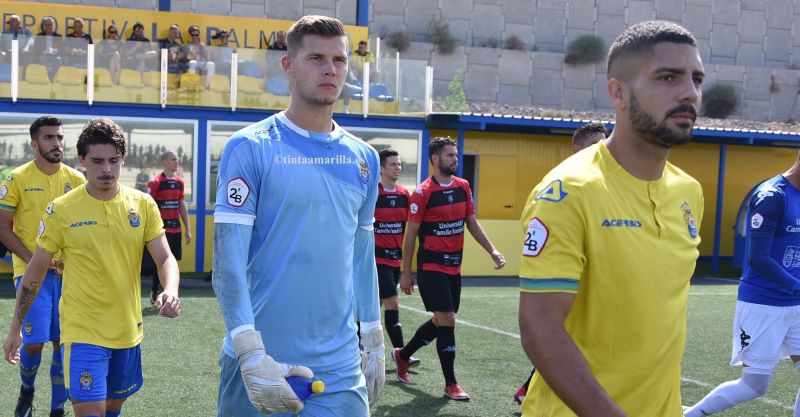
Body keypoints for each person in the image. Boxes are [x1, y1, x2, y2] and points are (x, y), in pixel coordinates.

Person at [517, 20, 705, 416]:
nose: (689, 91)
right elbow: (540, 326)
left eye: (696, 79)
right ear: (618, 92)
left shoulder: (689, 192)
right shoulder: (569, 191)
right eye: (667, 77)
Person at [212, 15, 384, 417]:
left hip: (340, 368)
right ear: (288, 65)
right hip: (261, 363)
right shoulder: (250, 147)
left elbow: (362, 255)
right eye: (316, 58)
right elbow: (228, 263)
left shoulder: (364, 158)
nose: (330, 69)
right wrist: (249, 351)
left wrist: (374, 335)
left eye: (339, 60)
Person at [3, 118, 181, 417]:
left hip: (128, 330)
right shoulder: (61, 209)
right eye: (97, 161)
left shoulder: (143, 204)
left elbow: (165, 257)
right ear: (82, 160)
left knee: (112, 409)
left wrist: (171, 290)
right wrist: (14, 329)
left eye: (114, 160)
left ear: (123, 159)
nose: (107, 169)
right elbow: (35, 271)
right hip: (82, 331)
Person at [683, 155, 800, 416]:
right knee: (754, 385)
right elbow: (759, 258)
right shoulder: (772, 195)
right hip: (764, 304)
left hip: (797, 303)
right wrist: (796, 285)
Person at [394, 136, 506, 401]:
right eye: (450, 155)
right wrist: (406, 273)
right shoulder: (423, 193)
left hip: (454, 267)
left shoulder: (463, 186)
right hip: (431, 266)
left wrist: (492, 250)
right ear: (435, 159)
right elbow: (410, 235)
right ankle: (451, 384)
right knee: (447, 320)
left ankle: (403, 355)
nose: (456, 159)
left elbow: (472, 223)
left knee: (440, 321)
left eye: (456, 155)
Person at [512, 121, 607, 406]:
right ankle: (532, 393)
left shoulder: (608, 186)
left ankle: (527, 388)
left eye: (605, 144)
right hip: (568, 286)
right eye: (595, 145)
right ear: (576, 149)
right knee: (561, 339)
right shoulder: (559, 188)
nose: (602, 151)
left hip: (601, 295)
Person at [0, 116, 85, 417]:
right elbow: (2, 227)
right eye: (49, 138)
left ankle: (57, 408)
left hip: (68, 275)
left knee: (63, 343)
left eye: (60, 137)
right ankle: (27, 390)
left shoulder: (77, 180)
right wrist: (32, 258)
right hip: (29, 273)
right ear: (34, 143)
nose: (57, 143)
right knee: (34, 343)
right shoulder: (16, 179)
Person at [373, 148, 420, 368]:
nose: (397, 168)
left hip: (395, 261)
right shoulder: (373, 194)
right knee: (392, 302)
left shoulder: (404, 195)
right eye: (393, 164)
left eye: (399, 164)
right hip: (376, 260)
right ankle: (402, 354)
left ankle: (358, 346)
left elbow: (412, 226)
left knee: (376, 305)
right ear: (382, 168)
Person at [143, 150, 191, 305]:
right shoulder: (155, 182)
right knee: (159, 262)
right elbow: (147, 206)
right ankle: (155, 289)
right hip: (160, 232)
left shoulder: (179, 182)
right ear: (164, 161)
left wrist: (187, 229)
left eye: (177, 159)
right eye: (173, 159)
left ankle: (169, 292)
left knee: (172, 261)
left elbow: (181, 205)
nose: (177, 162)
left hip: (176, 229)